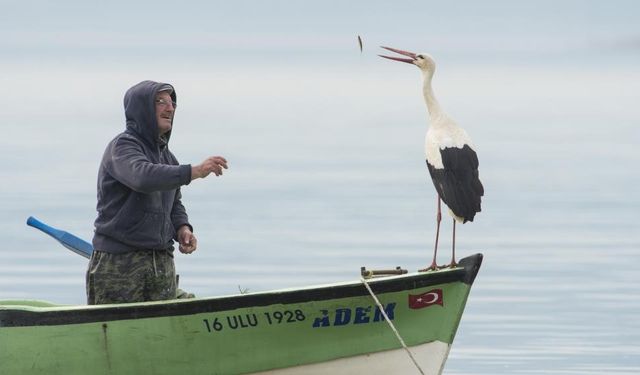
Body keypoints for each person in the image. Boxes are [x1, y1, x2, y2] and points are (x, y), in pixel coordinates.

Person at [86, 80, 228, 305]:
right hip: (121, 263)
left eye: (172, 103)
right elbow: (142, 177)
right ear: (141, 109)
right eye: (160, 102)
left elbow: (174, 204)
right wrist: (196, 171)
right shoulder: (122, 148)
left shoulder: (168, 158)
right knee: (123, 334)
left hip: (161, 262)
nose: (169, 108)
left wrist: (182, 228)